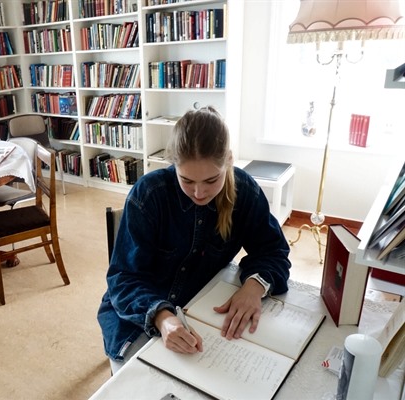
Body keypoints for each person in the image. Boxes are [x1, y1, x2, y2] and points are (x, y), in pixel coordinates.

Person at [97, 106, 291, 373]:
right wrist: (162, 319)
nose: (199, 192)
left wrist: (254, 286)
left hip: (202, 307)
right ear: (174, 165)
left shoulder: (244, 190)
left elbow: (273, 250)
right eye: (186, 180)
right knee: (149, 385)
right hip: (136, 315)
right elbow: (123, 279)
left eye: (212, 180)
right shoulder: (149, 194)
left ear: (229, 161)